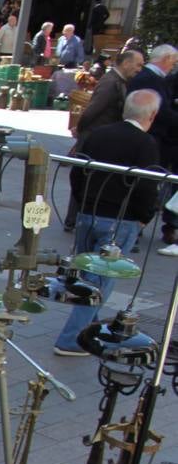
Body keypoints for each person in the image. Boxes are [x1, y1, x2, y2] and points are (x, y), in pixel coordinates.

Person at [54, 91, 163, 355]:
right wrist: (142, 219)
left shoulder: (99, 135)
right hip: (119, 219)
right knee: (98, 282)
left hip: (88, 215)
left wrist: (82, 203)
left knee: (88, 277)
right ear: (152, 115)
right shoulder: (145, 143)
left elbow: (77, 171)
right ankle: (71, 339)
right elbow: (147, 187)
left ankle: (88, 327)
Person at [65, 48, 143, 230]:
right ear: (126, 63)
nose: (140, 68)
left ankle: (75, 219)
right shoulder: (111, 82)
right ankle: (73, 220)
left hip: (98, 136)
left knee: (88, 177)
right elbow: (93, 110)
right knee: (85, 176)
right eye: (138, 64)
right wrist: (81, 128)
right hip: (94, 137)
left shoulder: (117, 81)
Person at [128, 44, 178, 249]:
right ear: (166, 59)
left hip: (159, 139)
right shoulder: (151, 79)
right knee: (146, 183)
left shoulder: (158, 79)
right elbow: (160, 111)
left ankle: (138, 227)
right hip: (151, 138)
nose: (174, 65)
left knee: (151, 183)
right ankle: (134, 227)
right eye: (173, 61)